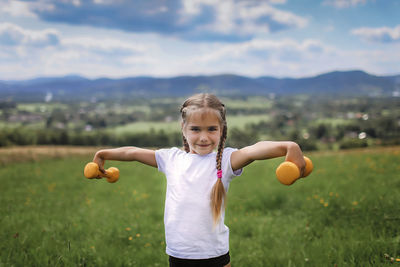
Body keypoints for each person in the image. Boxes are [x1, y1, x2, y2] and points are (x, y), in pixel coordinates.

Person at [92, 93, 306, 267]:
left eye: (212, 129)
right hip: (178, 254)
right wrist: (103, 154)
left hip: (214, 255)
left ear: (221, 131)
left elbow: (254, 150)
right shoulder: (171, 159)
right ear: (183, 130)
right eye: (195, 129)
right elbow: (133, 152)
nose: (203, 137)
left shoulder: (226, 160)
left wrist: (289, 147)